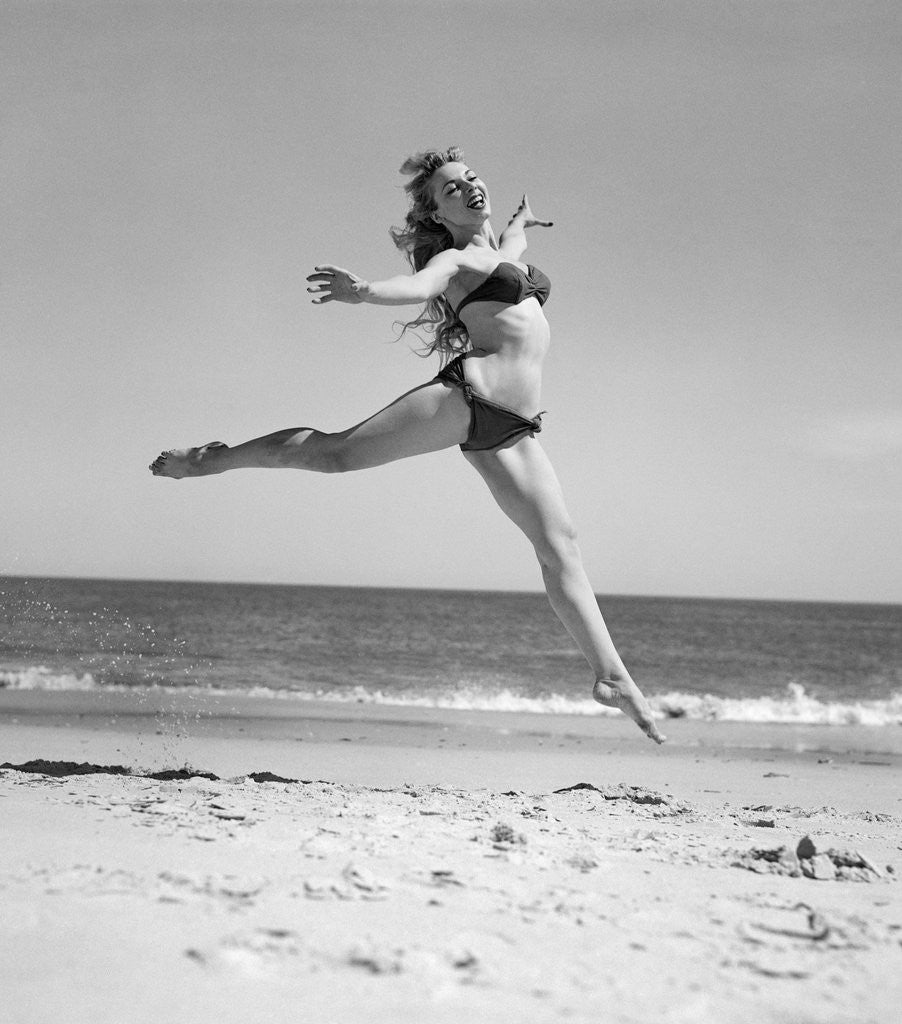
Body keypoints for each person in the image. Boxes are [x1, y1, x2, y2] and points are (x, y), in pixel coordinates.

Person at [150, 147, 665, 743]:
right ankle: (214, 459)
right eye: (451, 190)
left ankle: (610, 677)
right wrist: (364, 290)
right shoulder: (451, 259)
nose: (469, 189)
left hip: (515, 429)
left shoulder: (499, 253)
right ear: (437, 216)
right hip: (469, 399)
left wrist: (522, 222)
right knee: (337, 453)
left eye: (471, 179)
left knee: (561, 548)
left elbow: (513, 250)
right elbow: (415, 285)